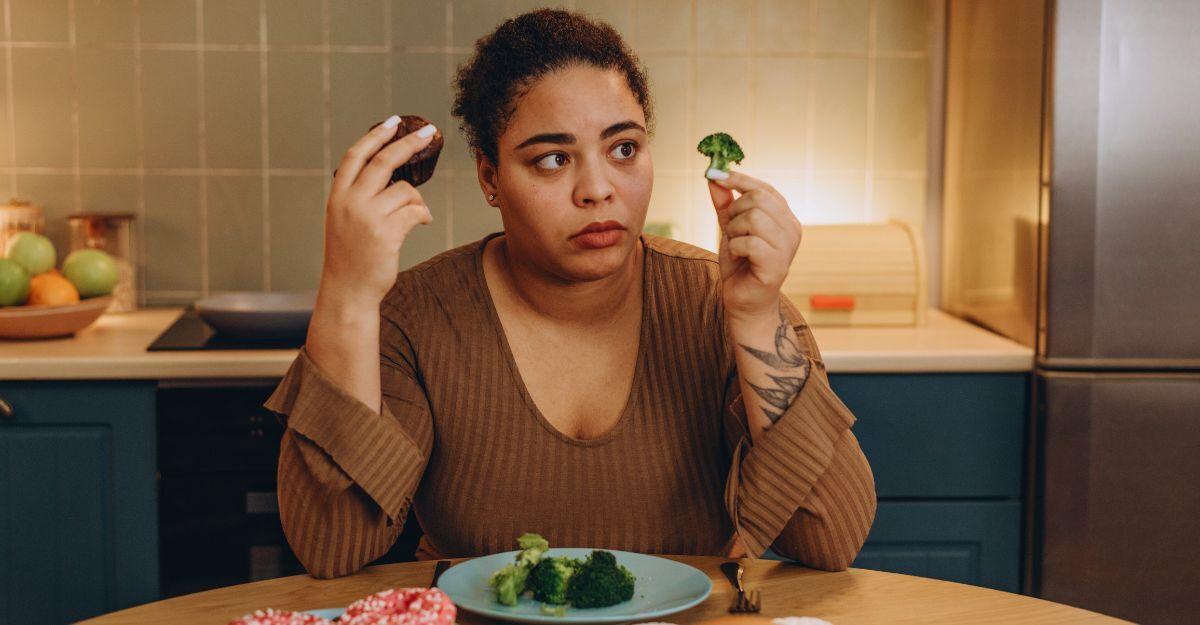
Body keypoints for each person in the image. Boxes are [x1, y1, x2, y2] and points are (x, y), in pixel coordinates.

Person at [265, 9, 875, 579]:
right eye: (554, 159)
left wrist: (756, 315)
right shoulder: (415, 319)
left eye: (624, 149)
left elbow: (831, 540)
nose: (598, 189)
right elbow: (332, 546)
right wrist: (346, 296)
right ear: (489, 177)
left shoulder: (722, 300)